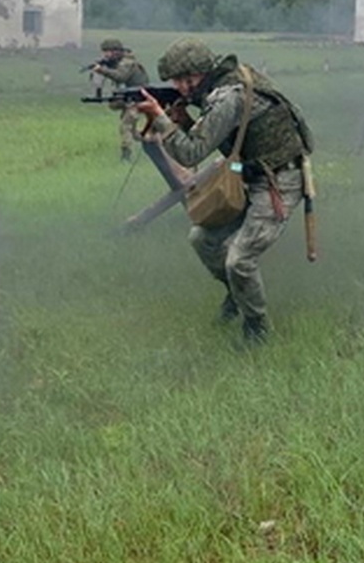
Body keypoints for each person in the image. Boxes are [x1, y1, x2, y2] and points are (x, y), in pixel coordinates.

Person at [134, 38, 313, 345]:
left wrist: (160, 119)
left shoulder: (227, 96)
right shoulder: (226, 83)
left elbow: (191, 154)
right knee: (202, 239)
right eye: (174, 81)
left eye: (182, 80)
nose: (179, 87)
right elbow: (225, 136)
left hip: (279, 180)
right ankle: (237, 294)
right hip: (248, 174)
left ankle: (257, 329)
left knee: (239, 260)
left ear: (199, 73)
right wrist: (185, 121)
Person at [90, 38, 149, 161]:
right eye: (104, 52)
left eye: (108, 52)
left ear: (116, 52)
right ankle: (151, 141)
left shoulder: (127, 62)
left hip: (137, 98)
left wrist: (102, 70)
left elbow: (120, 77)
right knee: (132, 130)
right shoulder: (119, 62)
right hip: (131, 98)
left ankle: (126, 156)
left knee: (125, 126)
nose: (106, 55)